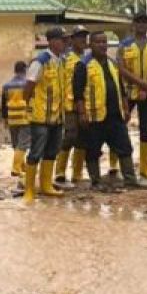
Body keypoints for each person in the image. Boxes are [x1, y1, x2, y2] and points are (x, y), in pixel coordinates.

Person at [74, 31, 139, 191]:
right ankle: (96, 181)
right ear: (91, 45)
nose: (103, 45)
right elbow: (78, 93)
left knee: (124, 146)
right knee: (93, 150)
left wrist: (125, 108)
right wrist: (82, 113)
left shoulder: (112, 63)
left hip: (115, 115)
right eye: (98, 42)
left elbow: (121, 88)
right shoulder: (83, 65)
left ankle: (130, 180)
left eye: (105, 42)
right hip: (94, 117)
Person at [23, 27, 70, 204]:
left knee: (52, 151)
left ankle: (45, 185)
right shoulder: (40, 61)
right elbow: (28, 88)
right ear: (51, 41)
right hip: (40, 117)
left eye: (66, 40)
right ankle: (29, 190)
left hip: (57, 117)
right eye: (62, 40)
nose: (65, 43)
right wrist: (30, 108)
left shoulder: (62, 61)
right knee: (36, 152)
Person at [118, 13, 147, 180]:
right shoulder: (124, 46)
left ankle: (145, 167)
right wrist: (141, 84)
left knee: (146, 129)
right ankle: (116, 165)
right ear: (133, 24)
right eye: (139, 22)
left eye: (145, 22)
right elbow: (122, 70)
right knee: (120, 126)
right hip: (128, 93)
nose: (142, 25)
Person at [55, 26, 89, 188]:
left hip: (85, 104)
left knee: (83, 139)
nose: (83, 40)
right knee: (69, 136)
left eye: (85, 37)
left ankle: (77, 174)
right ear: (72, 39)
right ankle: (60, 172)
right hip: (68, 105)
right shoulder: (65, 58)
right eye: (79, 37)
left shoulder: (88, 58)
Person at [0, 61, 29, 179]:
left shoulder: (7, 85)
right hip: (24, 117)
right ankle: (16, 169)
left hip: (12, 117)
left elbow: (3, 103)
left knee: (16, 144)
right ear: (25, 70)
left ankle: (22, 166)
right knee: (23, 144)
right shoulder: (28, 84)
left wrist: (5, 118)